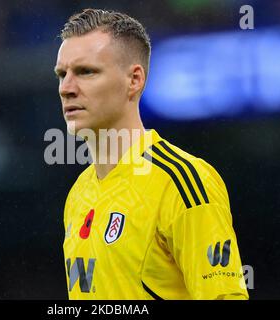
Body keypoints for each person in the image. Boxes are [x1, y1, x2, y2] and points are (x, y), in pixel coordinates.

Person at [54, 8, 249, 300]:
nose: (66, 88)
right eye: (62, 74)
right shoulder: (78, 195)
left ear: (134, 80)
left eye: (86, 72)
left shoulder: (181, 181)